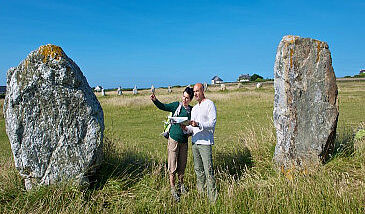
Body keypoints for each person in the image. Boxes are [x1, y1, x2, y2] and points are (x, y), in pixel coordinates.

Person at [150, 87, 194, 202]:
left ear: (191, 99)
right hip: (173, 140)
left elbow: (193, 126)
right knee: (172, 165)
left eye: (187, 98)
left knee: (182, 166)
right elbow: (163, 107)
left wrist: (189, 130)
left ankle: (181, 185)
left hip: (184, 142)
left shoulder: (192, 110)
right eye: (183, 97)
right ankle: (173, 188)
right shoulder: (176, 106)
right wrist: (155, 100)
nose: (184, 100)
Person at [183, 83, 218, 202]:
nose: (196, 93)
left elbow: (212, 124)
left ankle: (212, 198)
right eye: (194, 91)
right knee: (198, 170)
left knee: (208, 171)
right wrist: (185, 128)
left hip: (205, 143)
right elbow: (192, 129)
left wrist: (198, 124)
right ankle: (201, 195)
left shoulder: (209, 104)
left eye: (198, 91)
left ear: (203, 91)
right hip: (195, 142)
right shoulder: (195, 108)